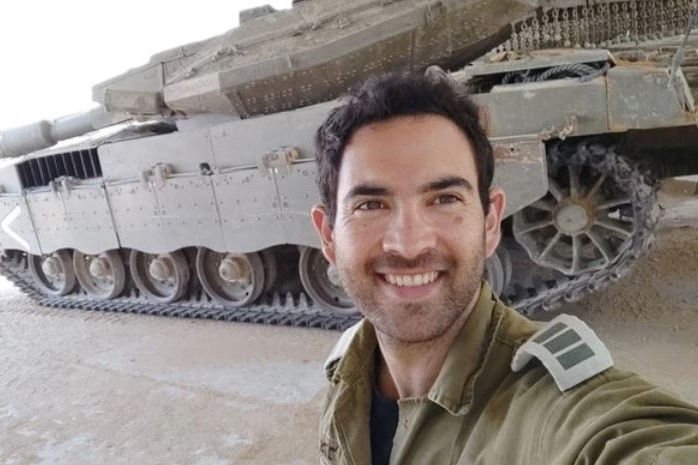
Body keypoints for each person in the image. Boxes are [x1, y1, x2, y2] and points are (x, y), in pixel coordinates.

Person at [309, 71, 698, 465]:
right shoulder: (348, 370)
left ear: (491, 221)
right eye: (371, 205)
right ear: (327, 236)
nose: (409, 244)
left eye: (444, 199)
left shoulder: (555, 412)